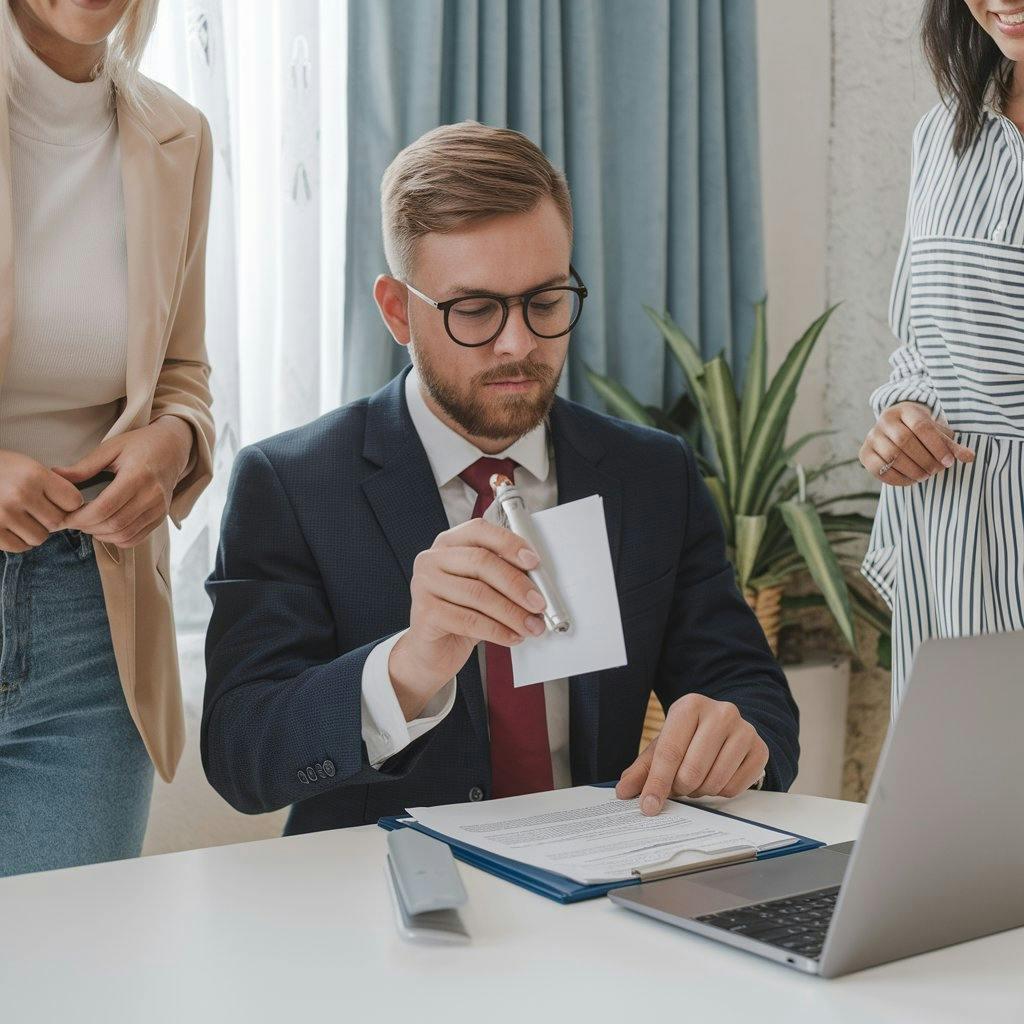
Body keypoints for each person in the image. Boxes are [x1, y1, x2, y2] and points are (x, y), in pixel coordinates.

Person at [202, 121, 798, 834]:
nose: (518, 343)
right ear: (398, 311)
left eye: (545, 303)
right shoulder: (293, 484)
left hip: (600, 889)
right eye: (475, 310)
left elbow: (751, 690)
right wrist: (410, 665)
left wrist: (741, 735)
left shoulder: (650, 475)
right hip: (383, 905)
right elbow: (241, 753)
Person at [0, 0, 214, 876]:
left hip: (93, 628)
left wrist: (172, 444)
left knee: (70, 977)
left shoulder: (179, 137)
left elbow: (183, 373)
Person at [860, 0, 1024, 707]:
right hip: (950, 538)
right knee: (960, 803)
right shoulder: (946, 132)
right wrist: (902, 415)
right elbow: (922, 346)